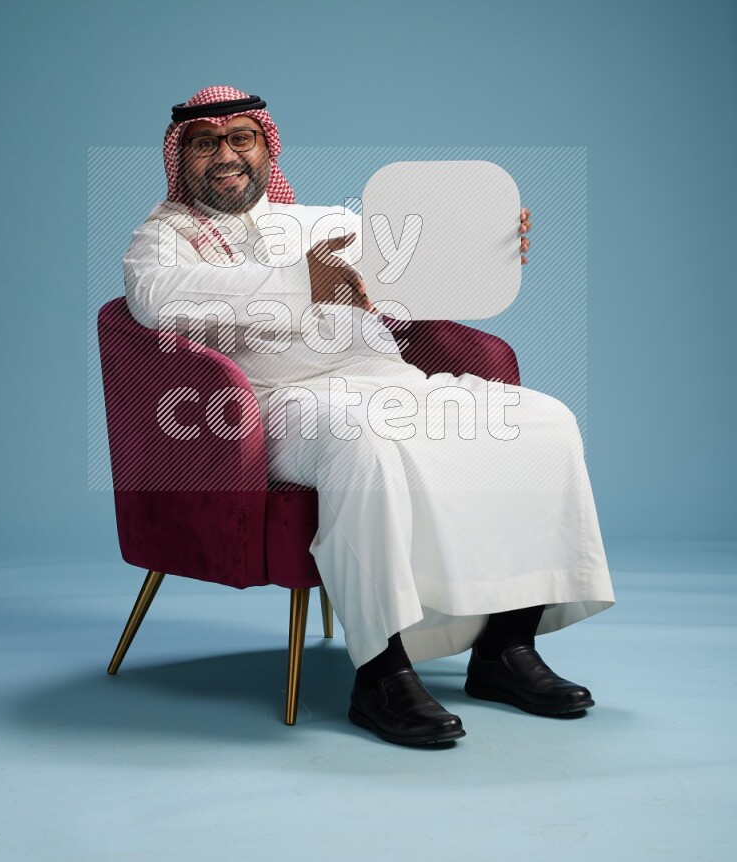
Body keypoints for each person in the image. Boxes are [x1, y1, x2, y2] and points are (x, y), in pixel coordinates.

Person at [123, 84, 615, 747]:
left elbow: (411, 273)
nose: (225, 155)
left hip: (388, 380)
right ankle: (381, 673)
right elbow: (159, 304)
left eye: (241, 138)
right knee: (365, 443)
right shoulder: (160, 239)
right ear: (181, 157)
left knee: (541, 423)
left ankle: (505, 647)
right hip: (277, 407)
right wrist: (301, 282)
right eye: (206, 143)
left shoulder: (324, 222)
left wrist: (490, 248)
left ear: (266, 148)